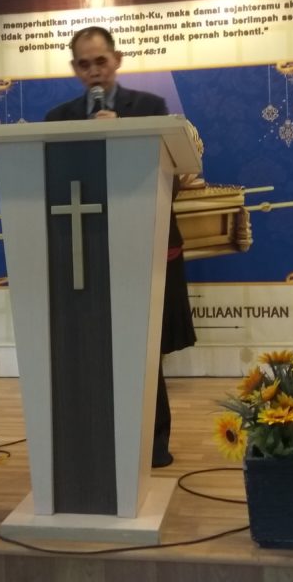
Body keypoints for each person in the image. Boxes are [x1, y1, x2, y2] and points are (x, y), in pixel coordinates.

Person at [45, 26, 196, 468]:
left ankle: (153, 445)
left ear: (117, 60)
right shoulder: (58, 119)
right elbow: (51, 178)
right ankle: (94, 441)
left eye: (101, 61)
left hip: (142, 245)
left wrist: (121, 134)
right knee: (86, 348)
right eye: (84, 64)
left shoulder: (149, 108)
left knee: (144, 350)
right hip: (84, 249)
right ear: (75, 69)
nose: (94, 71)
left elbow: (168, 176)